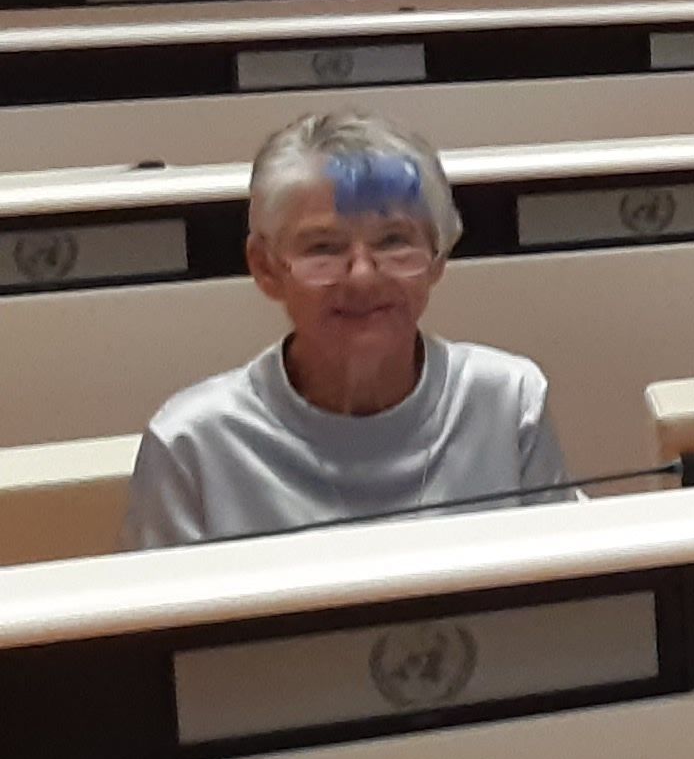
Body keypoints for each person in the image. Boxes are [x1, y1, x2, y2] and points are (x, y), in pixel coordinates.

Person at [123, 110, 570, 546]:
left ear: (437, 259)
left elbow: (565, 598)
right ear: (265, 269)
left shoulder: (507, 403)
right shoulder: (193, 444)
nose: (362, 276)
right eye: (324, 248)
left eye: (394, 242)